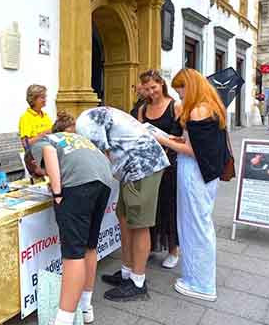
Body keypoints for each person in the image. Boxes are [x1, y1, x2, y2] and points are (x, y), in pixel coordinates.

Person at [76, 107, 170, 301]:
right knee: (125, 218)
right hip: (130, 168)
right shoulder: (88, 118)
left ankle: (137, 282)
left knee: (139, 224)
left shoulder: (86, 125)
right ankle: (127, 272)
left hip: (142, 166)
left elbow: (103, 156)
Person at [153, 68, 230, 302]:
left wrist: (163, 139)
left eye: (181, 91)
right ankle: (197, 278)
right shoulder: (211, 106)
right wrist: (177, 138)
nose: (180, 97)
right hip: (204, 175)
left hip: (195, 174)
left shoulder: (198, 110)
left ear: (191, 87)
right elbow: (197, 143)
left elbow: (194, 151)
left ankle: (202, 284)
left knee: (195, 226)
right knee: (198, 224)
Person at [26, 123, 113, 325]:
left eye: (40, 172)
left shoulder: (41, 143)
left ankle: (63, 320)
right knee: (90, 247)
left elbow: (48, 154)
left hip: (79, 186)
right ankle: (86, 308)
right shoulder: (70, 138)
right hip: (103, 181)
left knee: (73, 254)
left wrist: (56, 192)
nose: (43, 174)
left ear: (33, 161)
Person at [138, 70, 182, 269]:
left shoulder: (175, 106)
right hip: (150, 163)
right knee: (151, 206)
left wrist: (164, 141)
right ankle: (151, 246)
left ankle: (173, 250)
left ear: (161, 85)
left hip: (170, 162)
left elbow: (182, 136)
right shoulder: (143, 108)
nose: (151, 92)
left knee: (169, 205)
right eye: (146, 89)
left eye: (154, 87)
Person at [18, 84, 52, 149]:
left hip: (49, 150)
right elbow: (26, 144)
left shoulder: (45, 115)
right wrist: (43, 134)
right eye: (42, 97)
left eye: (45, 97)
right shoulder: (25, 118)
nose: (45, 100)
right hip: (35, 155)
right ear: (33, 99)